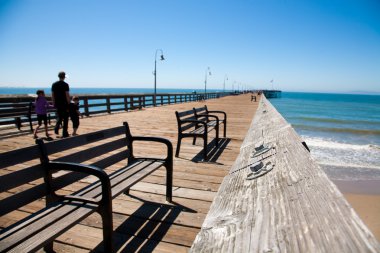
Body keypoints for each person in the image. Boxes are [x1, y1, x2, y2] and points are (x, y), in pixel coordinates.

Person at [51, 71, 70, 138]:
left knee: (59, 116)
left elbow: (53, 95)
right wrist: (69, 103)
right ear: (64, 77)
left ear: (58, 76)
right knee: (65, 118)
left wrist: (53, 103)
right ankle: (65, 133)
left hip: (58, 103)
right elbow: (67, 95)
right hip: (65, 103)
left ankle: (56, 127)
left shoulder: (54, 84)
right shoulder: (65, 85)